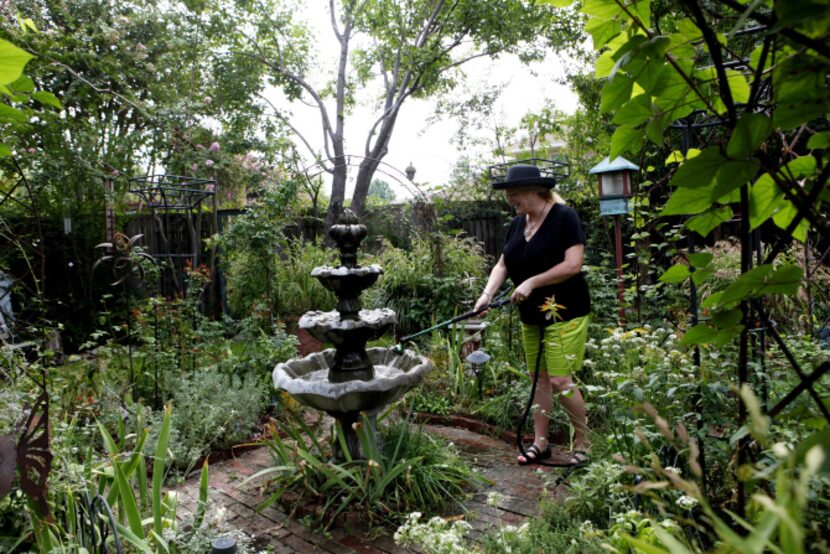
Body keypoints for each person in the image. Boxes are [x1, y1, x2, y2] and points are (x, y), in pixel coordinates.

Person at [474, 164, 591, 465]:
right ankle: (541, 443)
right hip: (531, 314)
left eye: (514, 194)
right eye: (508, 195)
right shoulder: (517, 224)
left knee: (560, 380)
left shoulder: (565, 217)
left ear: (533, 191)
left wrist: (532, 281)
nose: (510, 200)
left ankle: (583, 442)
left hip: (565, 309)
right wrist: (487, 294)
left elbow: (573, 264)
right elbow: (503, 265)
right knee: (538, 379)